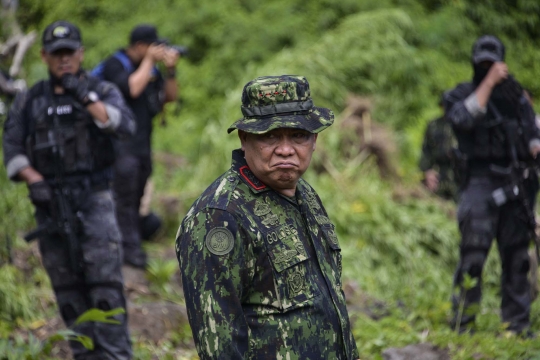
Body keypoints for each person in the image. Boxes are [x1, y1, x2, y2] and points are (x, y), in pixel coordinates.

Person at [176, 75, 360, 359]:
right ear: (245, 138)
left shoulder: (303, 193)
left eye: (298, 135)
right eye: (270, 136)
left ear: (314, 140)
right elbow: (219, 346)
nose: (286, 149)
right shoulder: (220, 216)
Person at [2, 20, 134, 359]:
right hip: (50, 206)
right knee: (69, 294)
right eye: (57, 54)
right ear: (44, 56)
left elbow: (123, 125)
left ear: (81, 53)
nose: (64, 60)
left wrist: (83, 95)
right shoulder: (30, 101)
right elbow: (12, 150)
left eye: (70, 53)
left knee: (105, 288)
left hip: (95, 200)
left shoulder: (100, 90)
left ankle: (116, 354)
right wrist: (35, 180)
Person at [445, 35, 540, 336]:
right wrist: (488, 83)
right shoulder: (462, 93)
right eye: (482, 64)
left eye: (492, 64)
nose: (487, 69)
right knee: (473, 254)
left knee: (517, 257)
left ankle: (517, 324)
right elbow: (463, 119)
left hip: (515, 181)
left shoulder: (517, 99)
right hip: (480, 181)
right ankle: (464, 322)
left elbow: (533, 136)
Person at [100, 24, 180, 268]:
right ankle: (129, 251)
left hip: (142, 145)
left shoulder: (151, 70)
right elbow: (132, 89)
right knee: (124, 199)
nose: (157, 51)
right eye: (152, 46)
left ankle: (130, 244)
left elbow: (170, 97)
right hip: (119, 146)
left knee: (136, 198)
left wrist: (171, 70)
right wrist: (149, 62)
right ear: (139, 46)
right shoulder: (115, 65)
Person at [419, 93, 458, 201]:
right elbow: (426, 151)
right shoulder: (434, 125)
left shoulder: (465, 126)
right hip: (439, 173)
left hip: (459, 175)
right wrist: (427, 172)